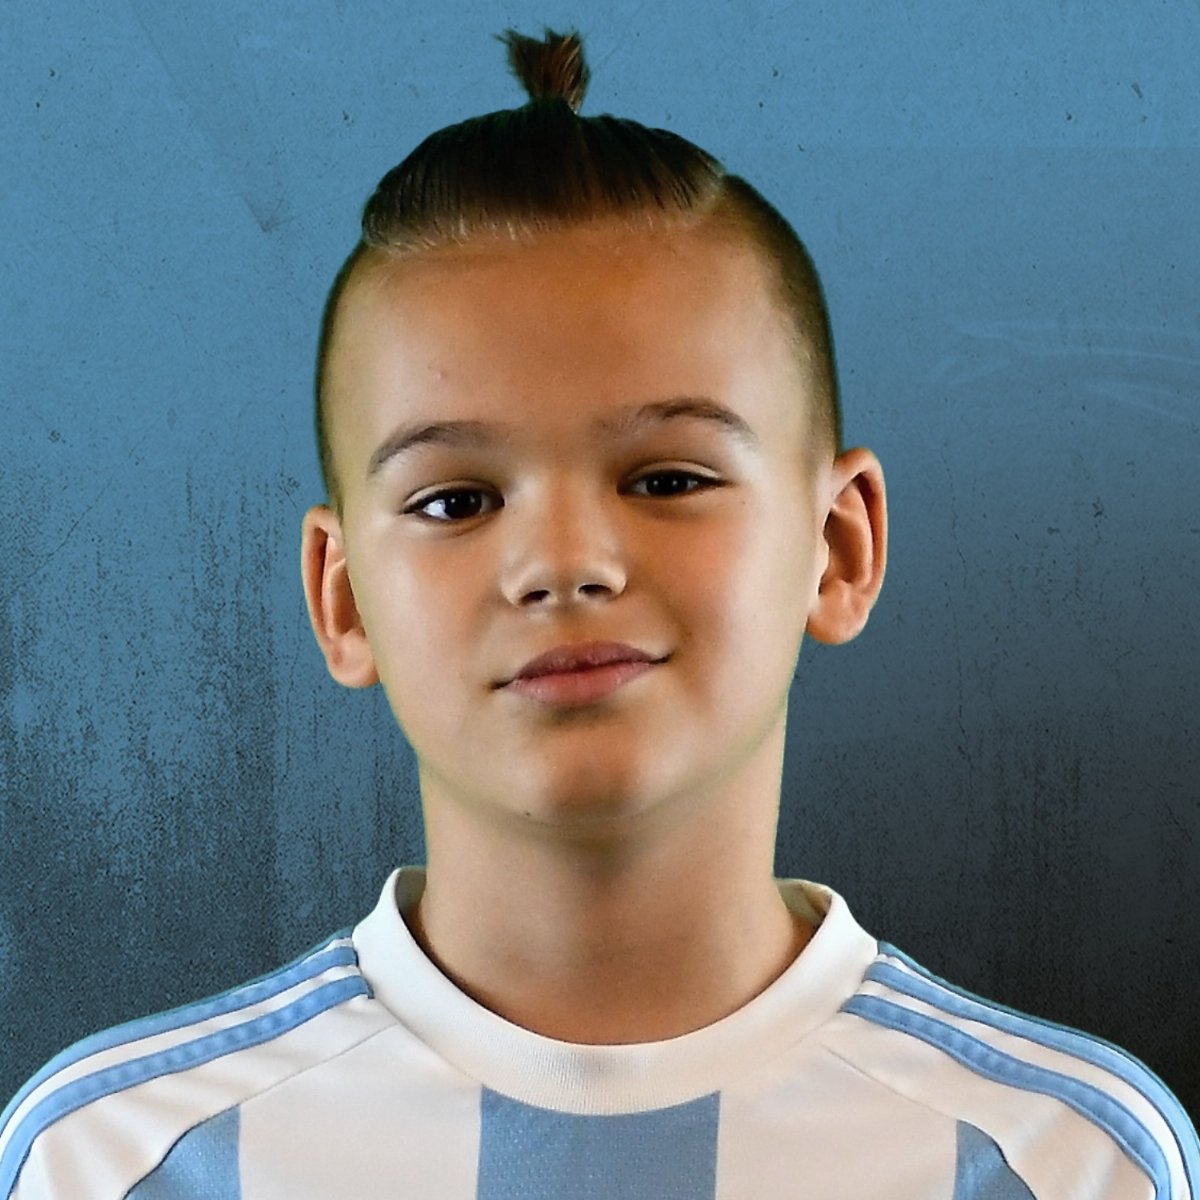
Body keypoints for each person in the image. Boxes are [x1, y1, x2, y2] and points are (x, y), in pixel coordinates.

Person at [2, 25, 1196, 1200]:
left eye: (667, 479)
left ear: (838, 546)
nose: (563, 565)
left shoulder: (1067, 1163)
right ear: (343, 595)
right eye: (456, 500)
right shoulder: (106, 1161)